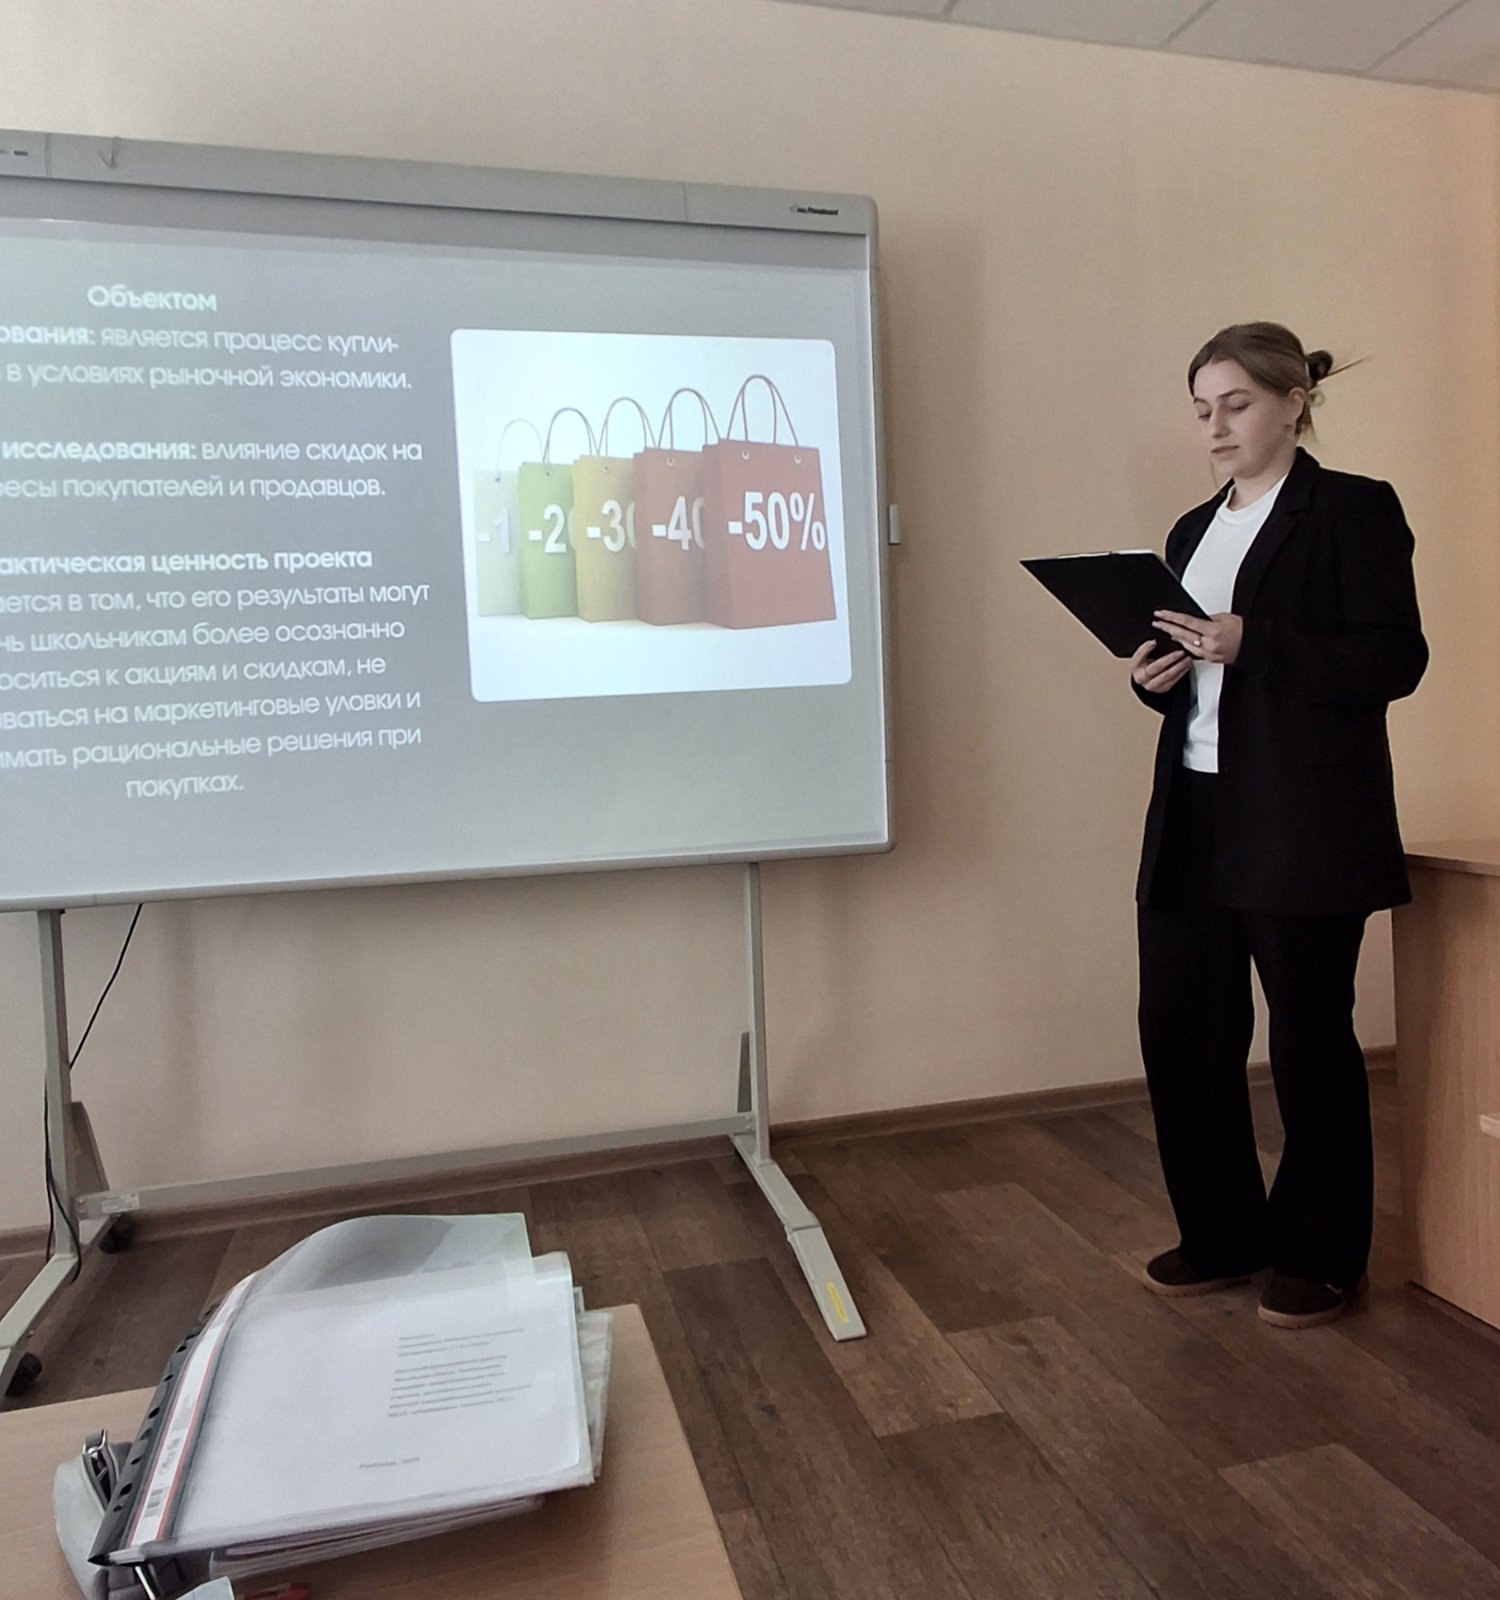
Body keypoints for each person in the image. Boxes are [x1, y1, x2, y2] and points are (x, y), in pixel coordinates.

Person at [1129, 321, 1427, 1329]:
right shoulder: (1190, 531)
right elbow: (1201, 680)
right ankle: (1223, 1234)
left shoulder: (1352, 510)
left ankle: (1323, 1254)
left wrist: (1256, 640)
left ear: (1295, 402)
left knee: (1308, 1039)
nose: (1215, 427)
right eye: (1201, 410)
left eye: (1236, 404)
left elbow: (1395, 658)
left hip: (1302, 818)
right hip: (1195, 809)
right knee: (1181, 1026)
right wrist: (1155, 679)